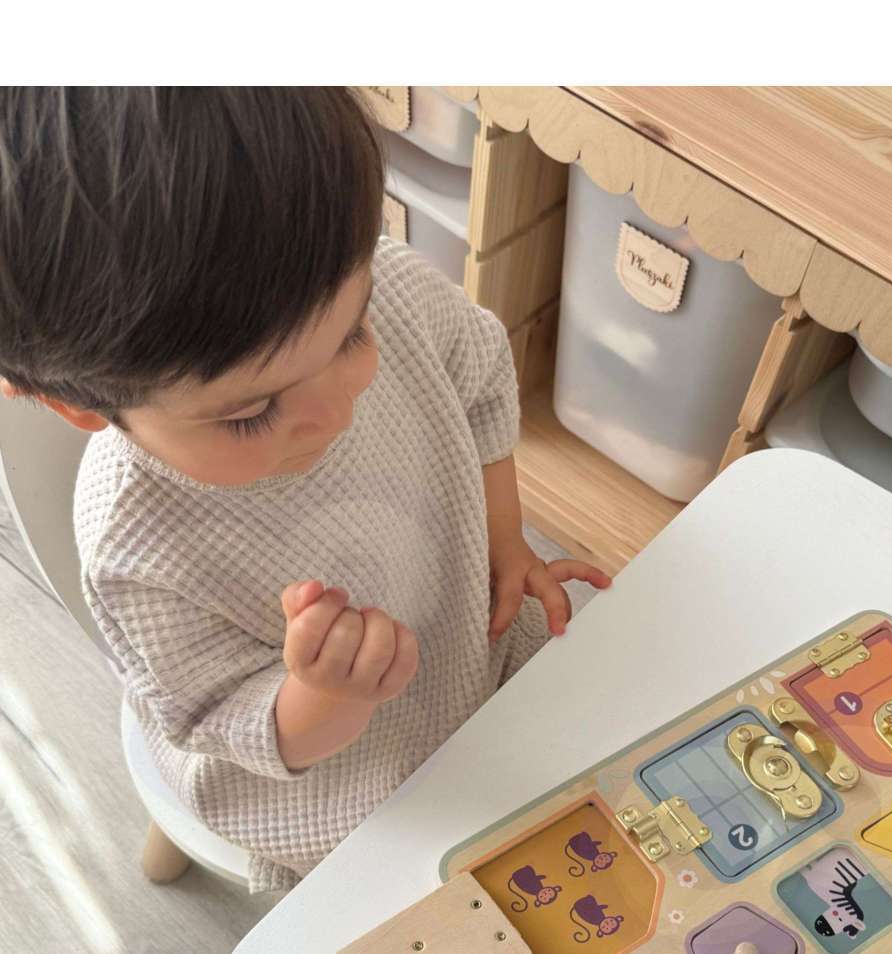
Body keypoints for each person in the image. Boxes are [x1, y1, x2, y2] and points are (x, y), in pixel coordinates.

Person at [0, 87, 609, 891]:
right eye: (251, 413)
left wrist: (505, 539)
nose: (337, 408)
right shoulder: (135, 546)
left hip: (464, 622)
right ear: (79, 408)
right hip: (326, 762)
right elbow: (218, 718)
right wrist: (325, 696)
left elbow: (479, 381)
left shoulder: (385, 289)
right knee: (429, 885)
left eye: (352, 334)